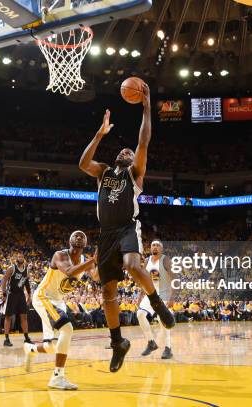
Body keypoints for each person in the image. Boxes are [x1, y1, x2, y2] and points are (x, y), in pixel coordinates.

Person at [78, 82, 175, 372]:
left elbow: (143, 142)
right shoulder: (104, 172)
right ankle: (118, 341)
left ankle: (157, 303)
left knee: (133, 265)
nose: (125, 151)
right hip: (105, 235)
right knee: (108, 292)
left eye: (128, 151)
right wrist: (99, 134)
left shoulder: (135, 173)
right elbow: (83, 163)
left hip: (127, 228)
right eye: (121, 150)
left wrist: (146, 106)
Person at [24, 231, 97, 390]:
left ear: (85, 243)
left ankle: (30, 349)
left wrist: (106, 261)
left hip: (58, 301)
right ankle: (58, 377)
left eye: (82, 236)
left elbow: (97, 277)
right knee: (67, 328)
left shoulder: (86, 261)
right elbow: (70, 271)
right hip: (44, 297)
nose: (78, 237)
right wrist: (93, 260)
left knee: (51, 346)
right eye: (75, 235)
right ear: (69, 240)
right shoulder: (60, 255)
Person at [136, 240, 174, 359]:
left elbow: (174, 278)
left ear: (161, 249)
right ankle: (151, 342)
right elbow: (144, 280)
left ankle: (168, 348)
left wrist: (172, 297)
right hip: (151, 292)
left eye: (158, 245)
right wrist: (140, 295)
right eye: (153, 245)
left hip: (164, 292)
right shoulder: (147, 261)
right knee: (140, 314)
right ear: (150, 248)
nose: (155, 247)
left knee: (163, 320)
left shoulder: (166, 260)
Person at [1, 252, 32, 346]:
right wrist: (4, 293)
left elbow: (26, 283)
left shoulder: (26, 269)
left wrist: (29, 295)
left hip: (21, 295)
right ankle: (6, 339)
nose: (20, 258)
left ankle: (26, 337)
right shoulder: (12, 268)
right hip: (11, 294)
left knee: (24, 316)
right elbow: (4, 280)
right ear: (16, 258)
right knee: (8, 317)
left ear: (24, 258)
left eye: (22, 256)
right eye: (19, 256)